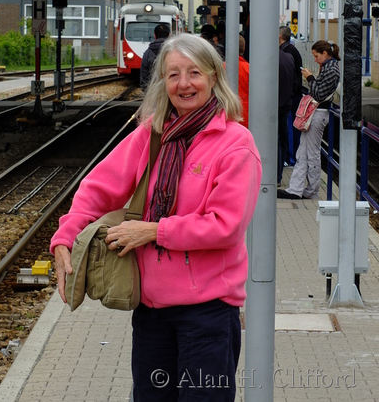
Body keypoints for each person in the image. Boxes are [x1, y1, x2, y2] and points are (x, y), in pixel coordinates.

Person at [51, 34, 262, 401]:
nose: (184, 83)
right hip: (151, 314)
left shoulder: (236, 144)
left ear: (214, 77)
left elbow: (225, 226)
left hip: (209, 316)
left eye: (194, 72)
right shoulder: (150, 135)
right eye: (173, 74)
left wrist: (154, 231)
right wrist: (64, 238)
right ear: (163, 82)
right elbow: (97, 189)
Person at [278, 40, 340, 200]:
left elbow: (318, 94)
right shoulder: (329, 67)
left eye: (316, 56)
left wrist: (310, 77)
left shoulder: (331, 69)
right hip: (317, 113)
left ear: (325, 54)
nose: (315, 59)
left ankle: (311, 190)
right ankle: (296, 189)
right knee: (303, 152)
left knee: (310, 153)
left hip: (318, 114)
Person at [279, 26, 304, 165]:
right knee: (292, 128)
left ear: (280, 36)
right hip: (292, 96)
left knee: (289, 128)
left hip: (290, 97)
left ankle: (289, 158)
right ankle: (291, 157)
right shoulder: (291, 50)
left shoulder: (287, 52)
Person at [277, 47, 295, 186]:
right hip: (286, 104)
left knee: (275, 142)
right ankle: (279, 174)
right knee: (283, 140)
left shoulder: (270, 59)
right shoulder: (289, 58)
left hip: (274, 106)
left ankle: (275, 175)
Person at [140, 23, 170, 90]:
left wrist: (146, 91)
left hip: (153, 91)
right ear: (169, 35)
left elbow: (144, 74)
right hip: (170, 90)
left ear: (154, 36)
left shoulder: (148, 53)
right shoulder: (174, 51)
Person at [237, 34, 249, 128]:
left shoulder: (223, 67)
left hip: (228, 111)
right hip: (246, 112)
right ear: (244, 48)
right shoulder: (249, 68)